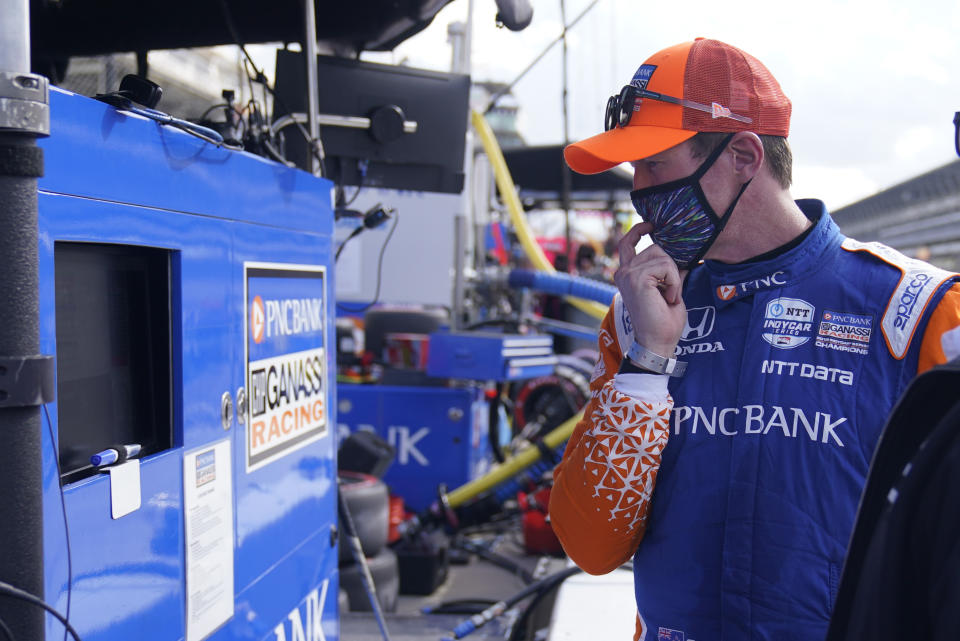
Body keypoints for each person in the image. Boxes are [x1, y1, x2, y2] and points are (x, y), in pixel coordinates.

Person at [547, 38, 960, 641]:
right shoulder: (638, 316)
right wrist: (647, 363)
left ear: (743, 155)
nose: (639, 189)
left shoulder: (917, 311)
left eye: (654, 164)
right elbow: (589, 545)